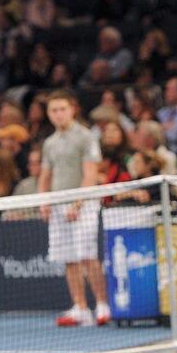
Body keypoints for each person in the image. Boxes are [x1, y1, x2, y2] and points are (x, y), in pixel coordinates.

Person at [39, 89, 111, 327]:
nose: (58, 114)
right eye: (53, 110)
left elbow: (90, 174)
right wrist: (44, 201)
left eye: (62, 109)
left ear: (72, 110)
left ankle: (102, 305)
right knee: (68, 259)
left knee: (88, 256)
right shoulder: (49, 143)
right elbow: (45, 176)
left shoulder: (86, 136)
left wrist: (77, 204)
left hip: (85, 204)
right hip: (59, 206)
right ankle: (81, 308)